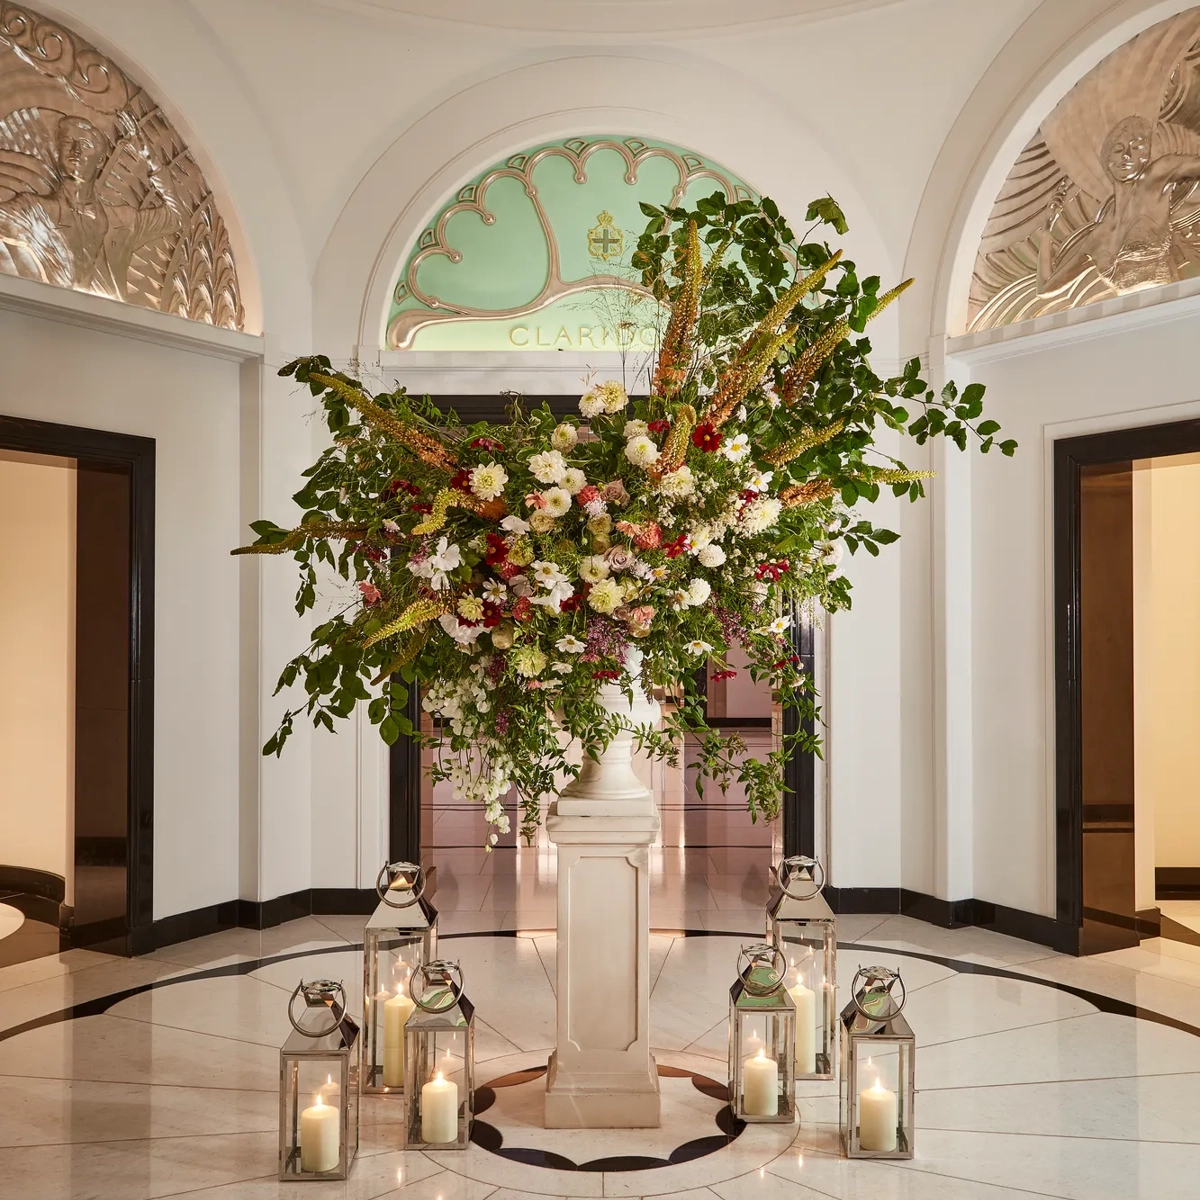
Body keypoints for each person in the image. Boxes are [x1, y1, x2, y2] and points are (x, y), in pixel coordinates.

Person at [0, 111, 182, 301]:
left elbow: (178, 217)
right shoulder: (34, 210)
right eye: (68, 143)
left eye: (85, 145)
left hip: (114, 324)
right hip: (46, 317)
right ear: (58, 152)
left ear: (101, 160)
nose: (75, 151)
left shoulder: (124, 220)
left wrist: (150, 158)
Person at [1037, 115, 1200, 298]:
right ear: (1108, 160)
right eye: (1118, 149)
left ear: (1145, 157)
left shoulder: (1156, 177)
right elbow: (1045, 289)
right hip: (1124, 322)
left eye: (1137, 147)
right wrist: (1046, 230)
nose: (1127, 155)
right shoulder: (1098, 235)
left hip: (1173, 312)